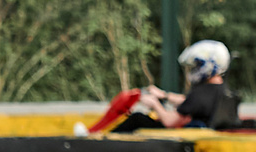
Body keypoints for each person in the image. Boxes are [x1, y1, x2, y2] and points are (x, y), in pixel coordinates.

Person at [81, 41, 242, 135]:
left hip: (179, 139)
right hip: (197, 133)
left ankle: (102, 140)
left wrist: (154, 104)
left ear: (210, 65)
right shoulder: (219, 89)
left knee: (138, 118)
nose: (194, 69)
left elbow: (170, 121)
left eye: (197, 65)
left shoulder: (200, 94)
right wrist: (163, 95)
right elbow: (188, 102)